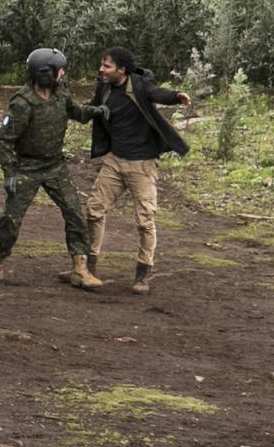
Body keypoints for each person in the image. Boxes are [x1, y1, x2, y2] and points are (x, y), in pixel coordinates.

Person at [0, 48, 108, 289]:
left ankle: (80, 267)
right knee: (11, 219)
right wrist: (9, 175)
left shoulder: (61, 94)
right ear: (45, 73)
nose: (63, 74)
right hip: (26, 167)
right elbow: (5, 141)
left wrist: (95, 111)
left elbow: (77, 113)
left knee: (75, 213)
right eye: (59, 70)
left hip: (55, 165)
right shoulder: (23, 103)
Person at [78, 46, 191, 295]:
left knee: (144, 220)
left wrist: (176, 96)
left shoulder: (139, 85)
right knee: (94, 210)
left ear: (122, 69)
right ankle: (87, 267)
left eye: (107, 66)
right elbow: (92, 109)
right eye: (102, 65)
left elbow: (156, 93)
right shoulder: (104, 88)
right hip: (115, 161)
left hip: (142, 165)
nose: (101, 70)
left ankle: (143, 274)